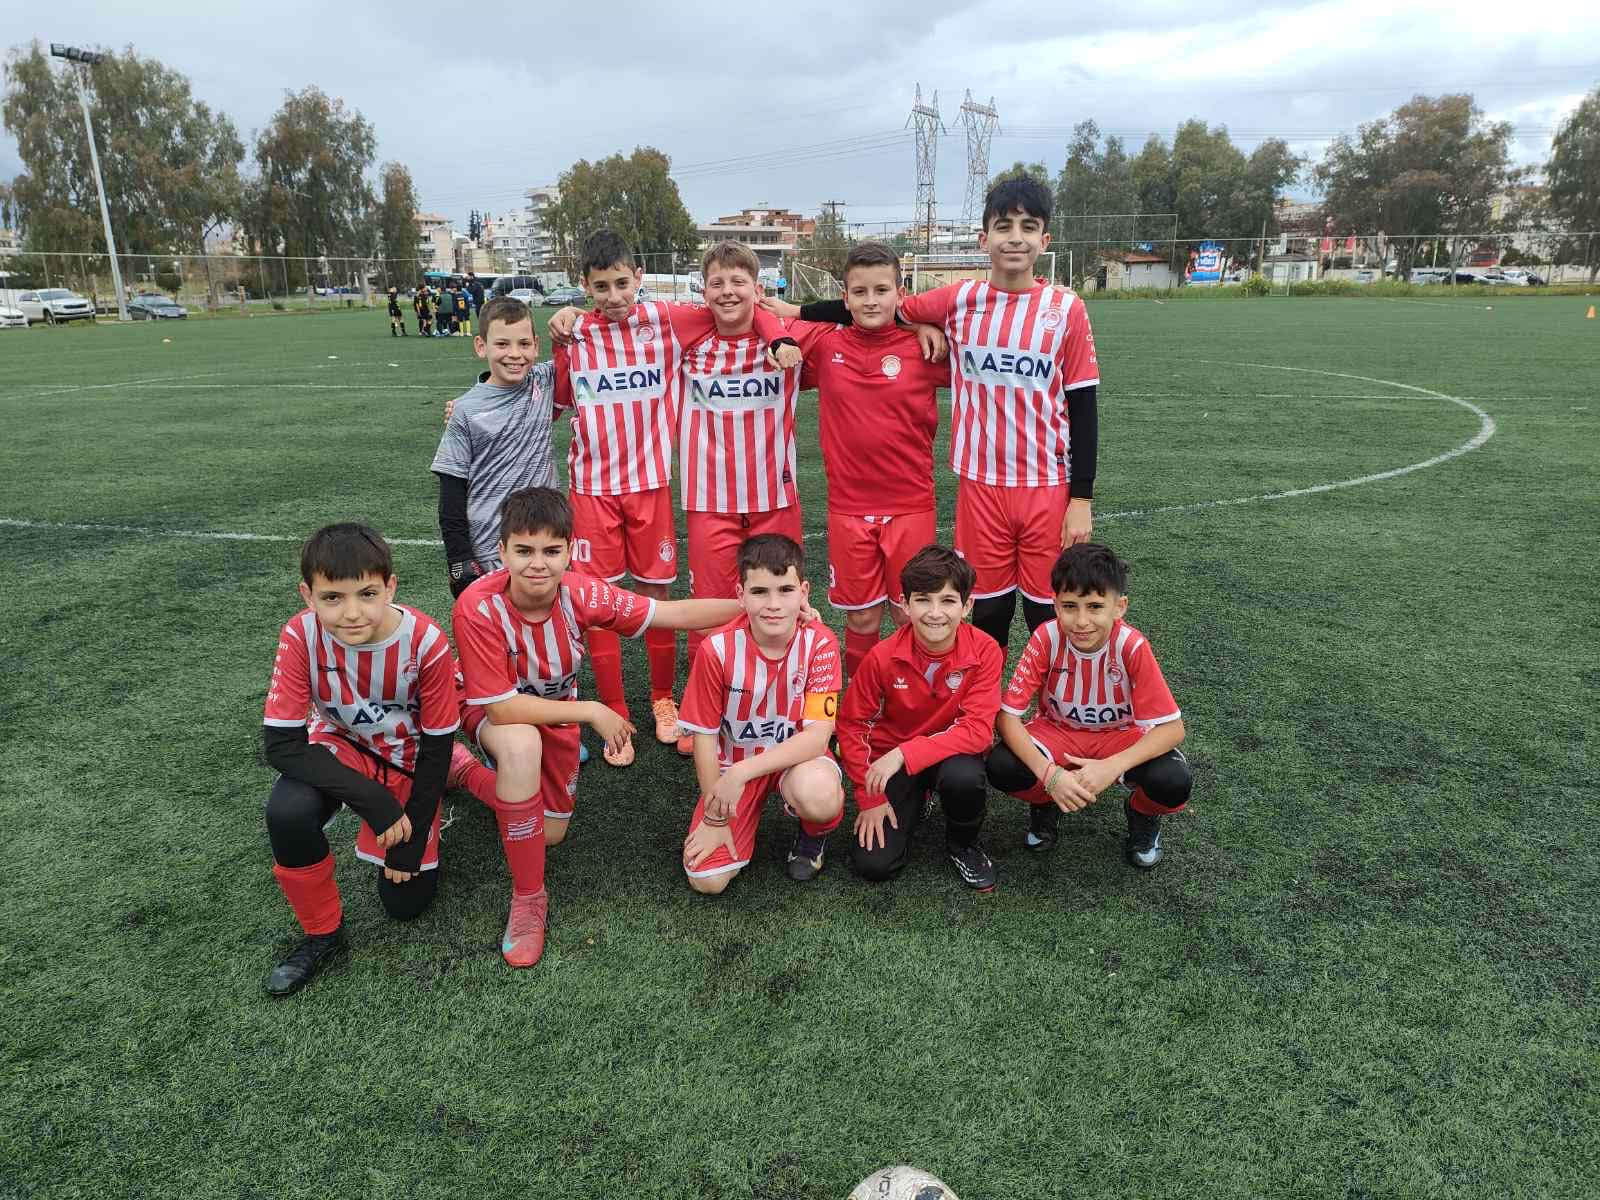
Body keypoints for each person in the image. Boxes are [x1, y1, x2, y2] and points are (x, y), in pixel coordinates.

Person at [766, 176, 1100, 653]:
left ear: (1045, 240)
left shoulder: (1066, 309)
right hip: (979, 485)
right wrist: (915, 324)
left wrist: (1081, 496)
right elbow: (880, 307)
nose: (1015, 237)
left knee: (1046, 610)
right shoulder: (959, 300)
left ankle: (1050, 697)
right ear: (984, 239)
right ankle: (984, 696)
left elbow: (1084, 405)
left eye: (1028, 227)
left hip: (1046, 483)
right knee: (987, 608)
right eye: (1004, 226)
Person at [452, 487, 746, 966]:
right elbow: (503, 709)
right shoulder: (477, 606)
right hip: (491, 711)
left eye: (551, 551)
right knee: (521, 746)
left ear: (570, 551)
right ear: (501, 552)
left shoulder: (580, 592)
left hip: (556, 713)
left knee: (548, 833)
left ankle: (465, 772)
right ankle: (528, 899)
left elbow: (670, 614)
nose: (537, 564)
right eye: (524, 551)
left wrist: (755, 609)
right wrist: (591, 710)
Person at [548, 240, 800, 754]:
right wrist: (559, 326)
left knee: (662, 596)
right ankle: (618, 709)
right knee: (599, 599)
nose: (614, 295)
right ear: (585, 286)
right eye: (601, 286)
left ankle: (668, 698)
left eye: (623, 283)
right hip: (596, 489)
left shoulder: (666, 321)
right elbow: (553, 395)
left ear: (639, 277)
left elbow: (744, 312)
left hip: (656, 485)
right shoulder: (576, 333)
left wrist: (776, 332)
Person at [258, 523, 474, 996]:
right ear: (308, 595)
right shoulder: (301, 633)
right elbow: (282, 745)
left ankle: (459, 773)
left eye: (367, 594)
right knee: (287, 812)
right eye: (332, 597)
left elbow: (436, 743)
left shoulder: (426, 641)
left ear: (390, 588)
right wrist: (376, 803)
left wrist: (411, 835)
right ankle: (322, 935)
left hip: (410, 757)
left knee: (404, 905)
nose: (352, 612)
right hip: (343, 746)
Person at [758, 241, 948, 678]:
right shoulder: (826, 343)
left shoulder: (924, 346)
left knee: (911, 614)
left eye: (882, 290)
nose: (871, 301)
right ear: (844, 298)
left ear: (901, 294)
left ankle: (911, 699)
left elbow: (975, 334)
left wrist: (921, 324)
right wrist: (784, 331)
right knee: (861, 618)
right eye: (859, 292)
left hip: (911, 506)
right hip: (848, 510)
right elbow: (763, 318)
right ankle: (862, 701)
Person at [985, 543, 1191, 869]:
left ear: (1119, 607)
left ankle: (1141, 813)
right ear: (1055, 604)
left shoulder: (1131, 646)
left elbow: (1173, 728)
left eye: (1095, 606)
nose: (1081, 621)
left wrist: (1111, 767)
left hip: (1120, 737)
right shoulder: (1046, 637)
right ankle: (1046, 801)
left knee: (1173, 780)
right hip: (1057, 733)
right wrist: (1049, 775)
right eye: (1070, 606)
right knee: (1001, 765)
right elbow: (1007, 718)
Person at [677, 534, 844, 892]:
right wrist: (714, 817)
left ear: (803, 592)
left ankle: (812, 836)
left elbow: (817, 738)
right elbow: (704, 738)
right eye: (759, 592)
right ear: (741, 595)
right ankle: (735, 820)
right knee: (707, 880)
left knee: (820, 795)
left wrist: (743, 772)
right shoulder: (716, 649)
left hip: (794, 759)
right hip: (732, 763)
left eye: (785, 590)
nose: (773, 604)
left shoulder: (821, 643)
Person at [836, 545, 1003, 889]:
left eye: (948, 600)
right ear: (904, 604)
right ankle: (919, 797)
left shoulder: (985, 650)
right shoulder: (881, 657)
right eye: (924, 600)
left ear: (967, 605)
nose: (935, 613)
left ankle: (962, 844)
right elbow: (852, 724)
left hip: (949, 756)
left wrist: (904, 753)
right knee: (873, 864)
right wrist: (869, 798)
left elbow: (978, 731)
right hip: (896, 763)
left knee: (964, 777)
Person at [431, 295, 560, 598]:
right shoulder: (466, 410)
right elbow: (451, 490)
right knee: (496, 623)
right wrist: (459, 559)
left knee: (546, 619)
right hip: (490, 548)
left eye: (524, 344)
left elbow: (592, 347)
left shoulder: (544, 380)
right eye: (502, 344)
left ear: (536, 346)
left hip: (544, 540)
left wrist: (568, 312)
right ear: (481, 346)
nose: (515, 354)